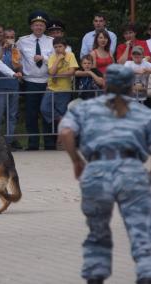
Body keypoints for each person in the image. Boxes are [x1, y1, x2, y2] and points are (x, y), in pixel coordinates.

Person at [58, 64, 151, 284]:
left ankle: (95, 274)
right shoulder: (143, 112)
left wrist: (76, 161)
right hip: (132, 172)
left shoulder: (85, 108)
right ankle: (147, 272)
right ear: (131, 86)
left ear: (106, 83)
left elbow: (66, 131)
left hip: (96, 172)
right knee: (141, 227)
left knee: (97, 230)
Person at [17, 11, 55, 150]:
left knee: (47, 112)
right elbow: (17, 59)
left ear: (45, 27)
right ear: (31, 27)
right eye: (36, 25)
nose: (38, 27)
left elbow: (57, 59)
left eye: (41, 25)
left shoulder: (51, 41)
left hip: (48, 81)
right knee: (31, 114)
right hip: (30, 82)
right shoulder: (22, 41)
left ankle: (49, 143)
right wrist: (18, 70)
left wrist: (43, 59)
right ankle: (33, 144)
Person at [0, 27, 23, 150]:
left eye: (11, 37)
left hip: (14, 86)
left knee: (12, 115)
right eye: (7, 37)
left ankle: (8, 142)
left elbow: (18, 68)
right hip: (0, 87)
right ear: (3, 38)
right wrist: (3, 49)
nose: (9, 39)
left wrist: (17, 59)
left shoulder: (16, 51)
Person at [40, 36, 78, 145]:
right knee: (44, 108)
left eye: (60, 46)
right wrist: (58, 59)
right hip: (51, 88)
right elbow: (51, 72)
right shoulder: (52, 57)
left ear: (65, 47)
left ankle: (61, 141)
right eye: (55, 47)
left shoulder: (71, 55)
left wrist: (57, 75)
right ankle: (60, 119)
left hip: (64, 89)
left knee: (62, 110)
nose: (58, 49)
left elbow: (71, 71)